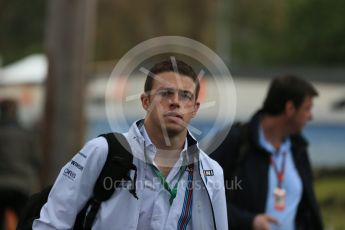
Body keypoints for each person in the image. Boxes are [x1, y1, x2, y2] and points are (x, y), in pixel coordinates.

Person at [32, 59, 228, 229]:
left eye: (185, 96)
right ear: (145, 101)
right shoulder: (102, 151)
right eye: (166, 93)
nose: (175, 102)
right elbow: (51, 223)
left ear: (195, 109)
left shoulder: (211, 172)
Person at [211, 75, 323, 230]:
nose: (311, 116)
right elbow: (203, 197)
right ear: (290, 108)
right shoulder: (236, 141)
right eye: (307, 108)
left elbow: (308, 210)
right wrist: (250, 221)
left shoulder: (299, 149)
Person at [0, 99, 42, 229]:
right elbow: (37, 160)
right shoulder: (27, 134)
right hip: (23, 187)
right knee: (26, 223)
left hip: (1, 186)